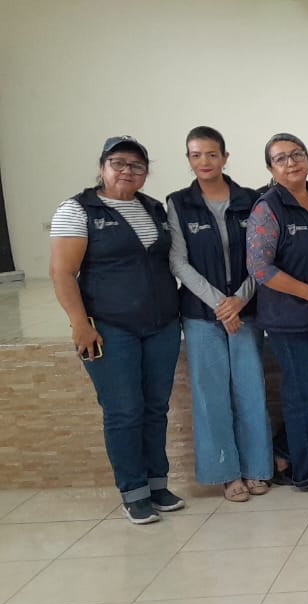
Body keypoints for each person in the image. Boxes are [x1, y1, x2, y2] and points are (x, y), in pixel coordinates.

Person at [49, 136, 185, 524]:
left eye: (137, 165)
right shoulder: (78, 210)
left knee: (155, 408)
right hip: (110, 329)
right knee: (124, 411)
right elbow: (62, 272)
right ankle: (133, 491)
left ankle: (157, 484)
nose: (128, 171)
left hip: (161, 326)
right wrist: (80, 325)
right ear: (102, 167)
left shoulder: (153, 208)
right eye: (119, 163)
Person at [167, 126, 273, 503]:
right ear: (188, 159)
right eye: (196, 155)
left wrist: (239, 300)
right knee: (211, 396)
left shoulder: (251, 200)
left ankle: (258, 468)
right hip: (201, 314)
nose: (204, 161)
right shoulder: (179, 203)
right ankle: (227, 473)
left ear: (225, 157)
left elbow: (262, 256)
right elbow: (178, 261)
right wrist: (219, 303)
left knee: (251, 390)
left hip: (246, 310)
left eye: (212, 154)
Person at [246, 133, 308, 495]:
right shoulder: (268, 207)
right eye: (281, 158)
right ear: (271, 168)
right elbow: (260, 268)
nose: (291, 163)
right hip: (287, 317)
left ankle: (284, 452)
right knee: (304, 395)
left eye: (296, 155)